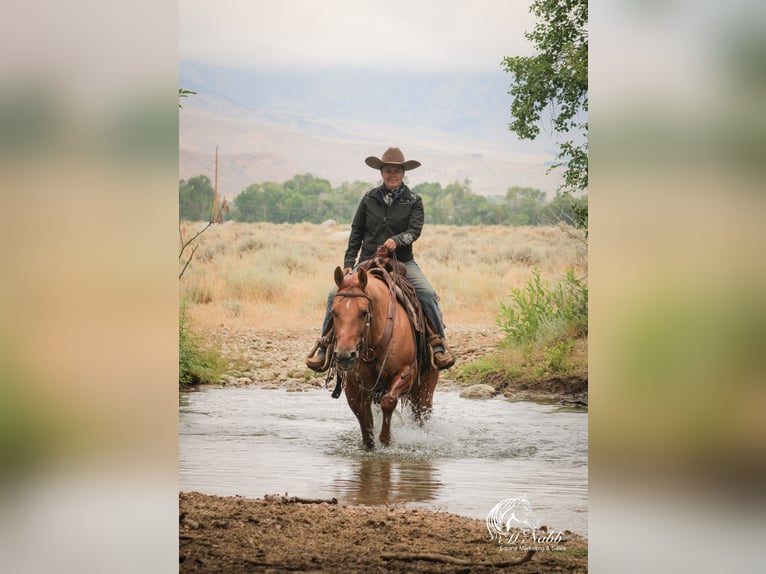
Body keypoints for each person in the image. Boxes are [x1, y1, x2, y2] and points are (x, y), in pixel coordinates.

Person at [306, 147, 455, 372]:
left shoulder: (413, 200)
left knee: (426, 293)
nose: (392, 174)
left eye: (396, 170)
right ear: (382, 172)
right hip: (368, 261)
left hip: (402, 261)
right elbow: (357, 230)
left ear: (403, 173)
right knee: (333, 295)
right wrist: (349, 263)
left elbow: (415, 230)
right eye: (388, 170)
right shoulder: (369, 198)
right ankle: (324, 346)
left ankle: (437, 344)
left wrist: (398, 240)